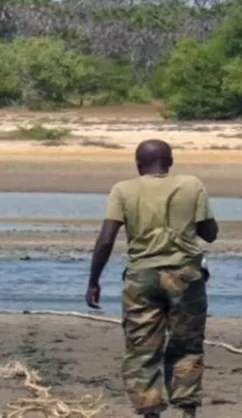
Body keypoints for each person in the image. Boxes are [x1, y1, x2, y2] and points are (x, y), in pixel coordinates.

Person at [86, 139, 218, 418]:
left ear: (138, 164)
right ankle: (186, 410)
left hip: (141, 276)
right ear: (170, 162)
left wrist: (94, 280)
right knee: (187, 345)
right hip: (185, 275)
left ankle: (149, 412)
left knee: (142, 349)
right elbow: (210, 233)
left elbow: (106, 239)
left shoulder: (123, 190)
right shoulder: (192, 185)